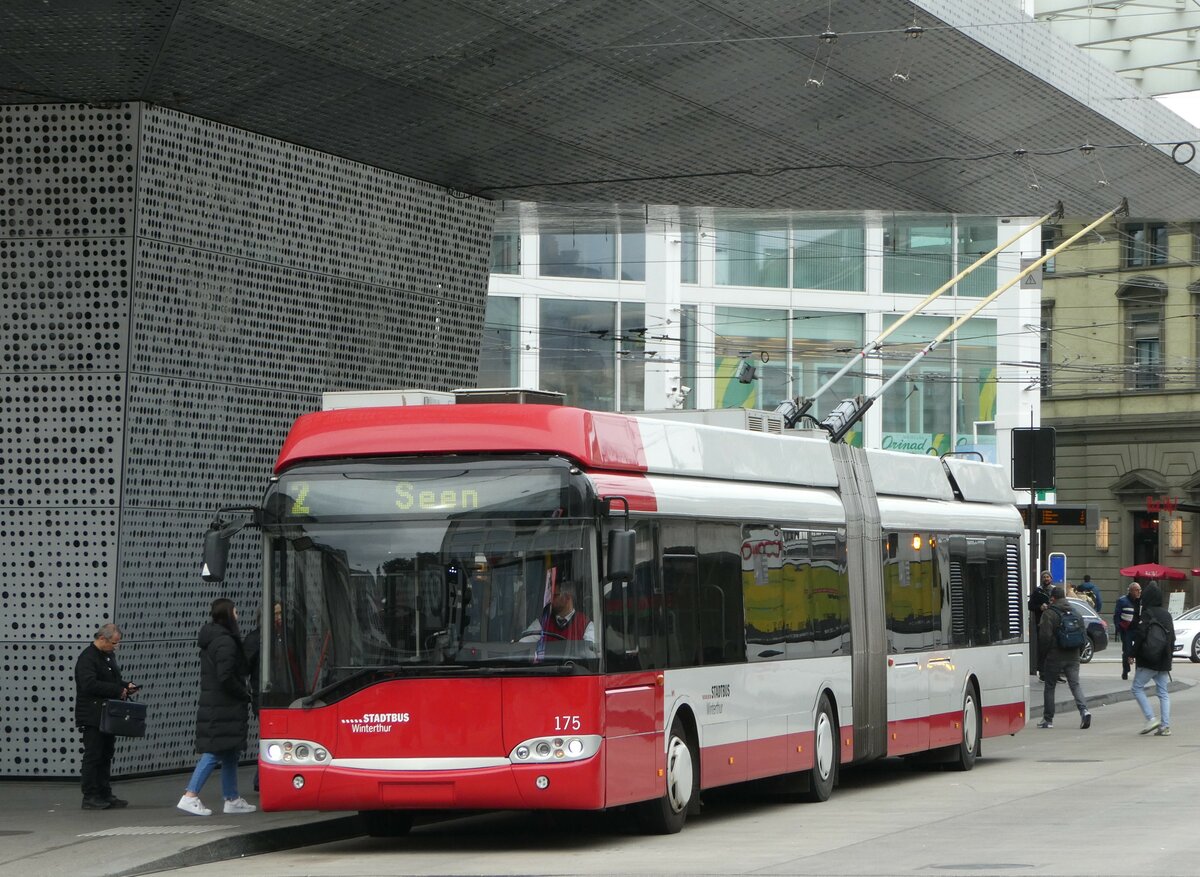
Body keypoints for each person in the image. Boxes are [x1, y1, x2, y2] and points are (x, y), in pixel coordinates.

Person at [177, 598, 256, 816]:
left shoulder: (213, 638)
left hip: (218, 705)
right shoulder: (225, 641)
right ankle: (190, 795)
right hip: (224, 705)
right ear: (228, 614)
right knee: (214, 751)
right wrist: (244, 694)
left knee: (230, 752)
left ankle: (231, 798)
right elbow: (226, 676)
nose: (238, 616)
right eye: (236, 612)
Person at [75, 623, 138, 810]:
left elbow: (113, 680)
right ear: (102, 639)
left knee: (106, 754)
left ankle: (105, 792)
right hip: (92, 713)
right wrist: (118, 690)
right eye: (114, 643)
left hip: (107, 712)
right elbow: (89, 684)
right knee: (93, 755)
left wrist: (126, 685)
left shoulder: (107, 656)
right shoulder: (87, 658)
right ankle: (90, 795)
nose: (115, 647)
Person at [1037, 586, 1092, 730]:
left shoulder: (1049, 614)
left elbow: (1044, 637)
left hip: (1054, 655)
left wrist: (1043, 656)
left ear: (1053, 598)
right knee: (1075, 685)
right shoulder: (1076, 613)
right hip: (1073, 655)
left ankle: (1048, 720)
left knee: (1050, 686)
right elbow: (1083, 635)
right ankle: (1084, 711)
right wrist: (1078, 653)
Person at [1129, 581, 1174, 736]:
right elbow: (1172, 638)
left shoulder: (1147, 614)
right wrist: (1169, 656)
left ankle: (1151, 718)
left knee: (1137, 687)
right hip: (1163, 659)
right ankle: (1165, 726)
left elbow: (1141, 636)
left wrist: (1132, 653)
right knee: (1163, 692)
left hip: (1149, 658)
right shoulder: (1167, 614)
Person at [522, 580, 594, 644]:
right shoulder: (543, 622)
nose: (551, 600)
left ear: (567, 597)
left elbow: (589, 650)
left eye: (555, 596)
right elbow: (523, 644)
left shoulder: (585, 624)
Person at [1113, 580, 1142, 680]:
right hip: (1127, 630)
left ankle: (1138, 671)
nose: (1139, 592)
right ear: (1131, 591)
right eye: (1137, 590)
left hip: (1138, 629)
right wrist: (1118, 627)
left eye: (1140, 590)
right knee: (1127, 651)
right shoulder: (1122, 601)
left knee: (1139, 650)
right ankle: (1125, 670)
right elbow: (1117, 615)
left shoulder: (1141, 601)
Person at [1028, 570, 1053, 666]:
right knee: (1042, 647)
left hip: (1053, 623)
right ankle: (1042, 671)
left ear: (1051, 578)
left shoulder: (1055, 590)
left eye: (1048, 577)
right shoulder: (1037, 591)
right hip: (1041, 623)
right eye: (1044, 577)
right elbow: (1030, 606)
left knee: (1053, 648)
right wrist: (1039, 607)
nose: (1046, 579)